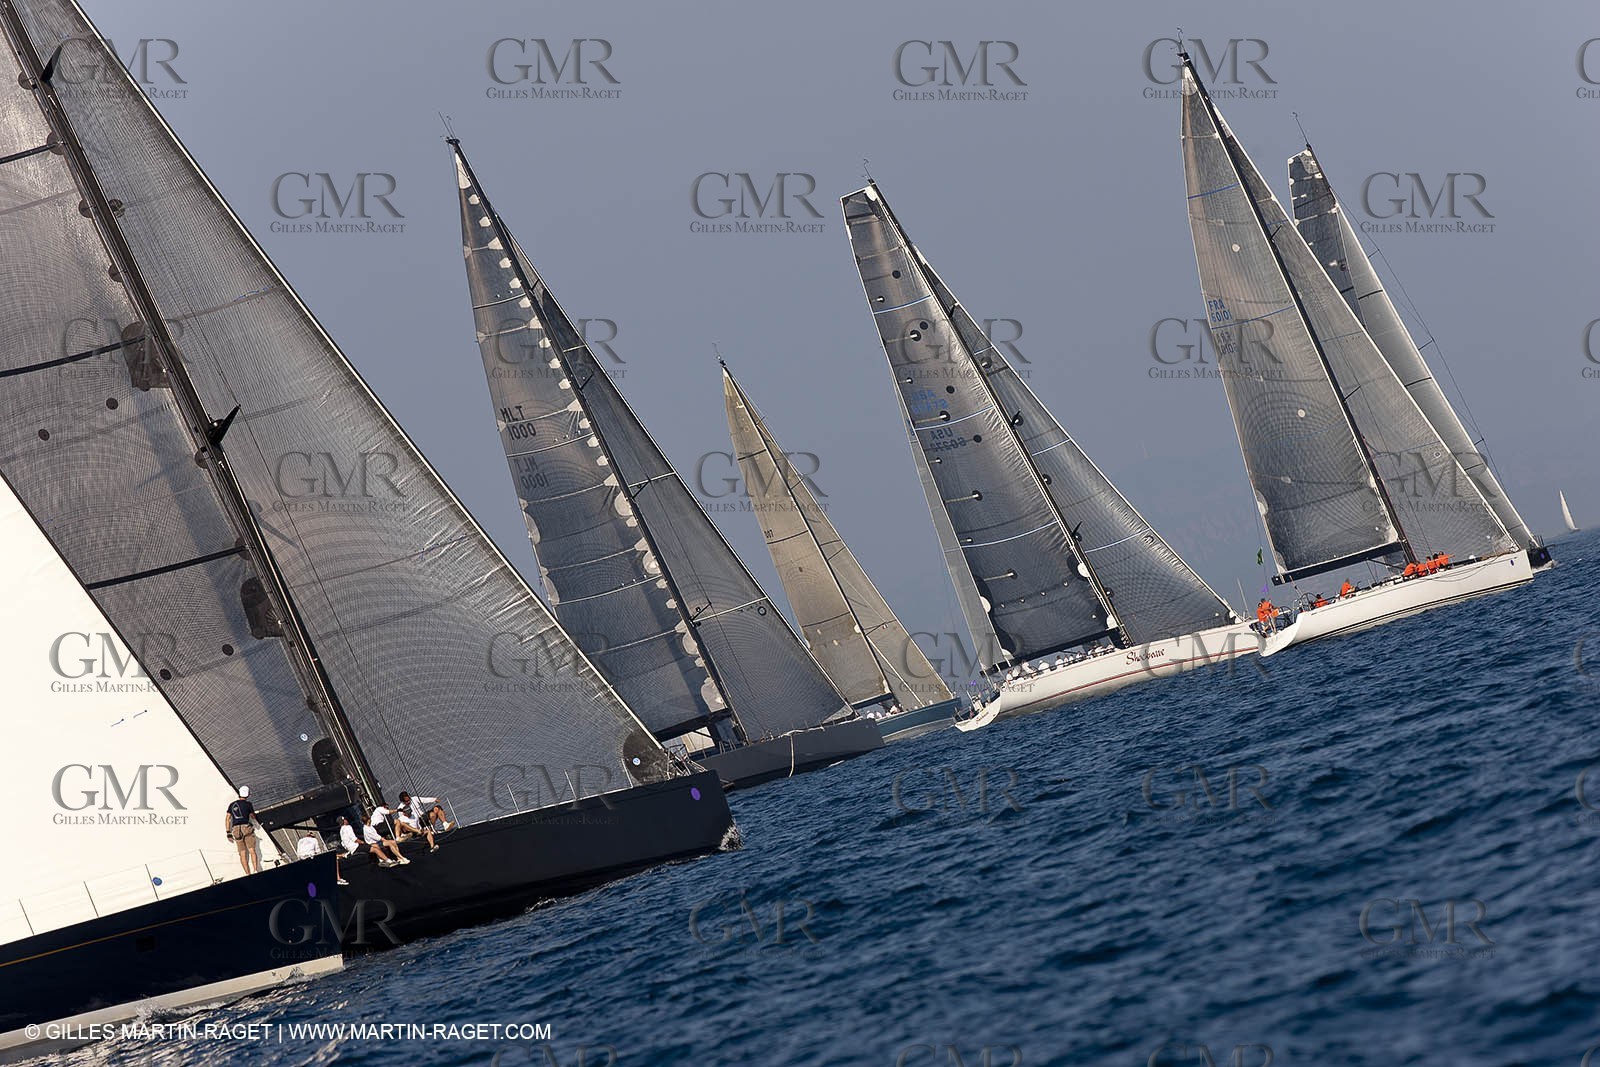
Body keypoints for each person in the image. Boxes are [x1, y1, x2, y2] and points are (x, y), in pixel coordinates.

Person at [225, 787, 260, 875]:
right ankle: (255, 870)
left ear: (239, 794)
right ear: (247, 795)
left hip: (236, 830)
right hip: (246, 827)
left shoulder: (232, 805)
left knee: (242, 853)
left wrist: (228, 832)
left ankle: (247, 873)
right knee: (252, 850)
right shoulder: (248, 804)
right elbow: (252, 816)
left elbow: (227, 818)